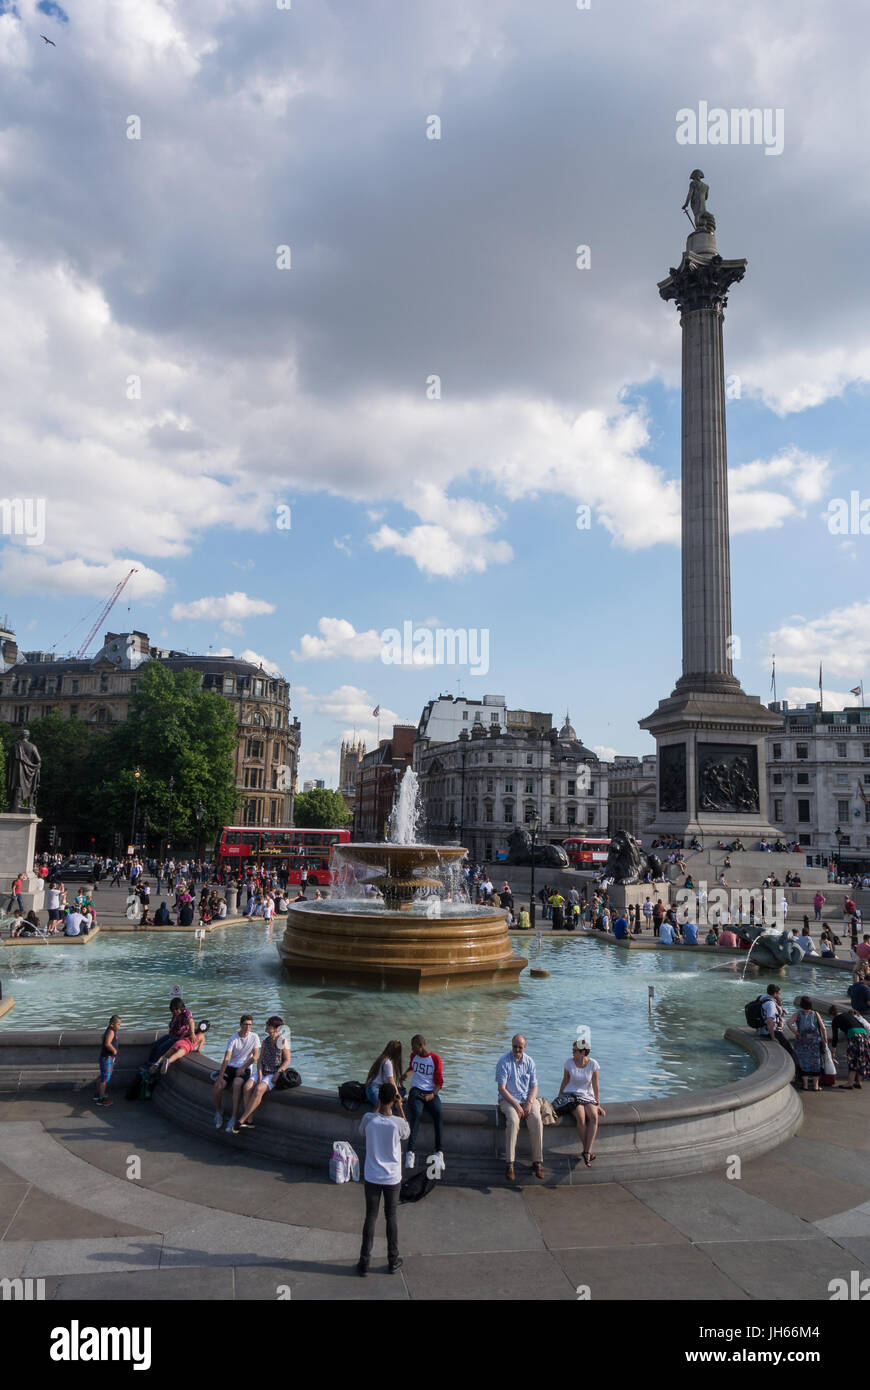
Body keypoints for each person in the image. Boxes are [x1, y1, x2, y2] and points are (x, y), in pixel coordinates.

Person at [357, 1082, 410, 1276]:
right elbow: (407, 1132)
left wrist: (376, 1107)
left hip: (372, 1175)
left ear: (379, 1099)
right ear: (393, 1100)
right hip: (392, 1177)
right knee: (391, 1217)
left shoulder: (369, 1119)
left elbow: (362, 1131)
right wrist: (400, 1108)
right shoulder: (397, 1123)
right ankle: (393, 1259)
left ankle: (364, 1262)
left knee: (370, 1217)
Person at [496, 1034, 544, 1182]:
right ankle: (510, 1164)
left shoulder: (530, 1062)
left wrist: (529, 1102)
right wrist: (516, 1105)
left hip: (527, 1099)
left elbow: (534, 1086)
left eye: (520, 1047)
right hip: (508, 1099)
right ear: (511, 1045)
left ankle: (537, 1162)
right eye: (514, 1046)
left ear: (525, 1047)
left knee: (536, 1119)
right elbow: (501, 1089)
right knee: (513, 1121)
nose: (517, 1049)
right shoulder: (503, 1062)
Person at [232, 1016, 291, 1132]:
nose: (266, 1025)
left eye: (268, 1024)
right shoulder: (266, 1041)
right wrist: (259, 1073)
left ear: (274, 1028)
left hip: (273, 1073)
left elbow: (287, 1060)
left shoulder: (282, 1041)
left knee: (259, 1089)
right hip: (263, 1071)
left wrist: (278, 1073)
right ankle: (250, 1120)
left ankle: (241, 1120)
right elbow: (259, 1060)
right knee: (247, 1086)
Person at [557, 1040, 605, 1167]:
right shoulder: (569, 1063)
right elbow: (565, 1080)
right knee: (581, 1118)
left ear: (583, 1052)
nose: (572, 1053)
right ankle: (587, 1152)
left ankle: (586, 1151)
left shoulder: (593, 1064)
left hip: (587, 1096)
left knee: (594, 1117)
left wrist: (598, 1103)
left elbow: (595, 1084)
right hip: (572, 1095)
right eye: (572, 1050)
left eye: (575, 1051)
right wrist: (559, 1097)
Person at [401, 1035, 444, 1170]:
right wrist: (406, 1075)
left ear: (421, 1045)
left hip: (430, 1091)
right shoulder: (414, 1056)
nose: (412, 1049)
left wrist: (432, 1095)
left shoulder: (435, 1059)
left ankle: (439, 1152)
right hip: (416, 1091)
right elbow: (412, 1067)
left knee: (438, 1113)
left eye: (414, 1046)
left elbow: (439, 1082)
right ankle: (410, 1153)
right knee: (417, 1113)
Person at [213, 1014, 261, 1132]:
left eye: (250, 1025)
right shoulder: (233, 1038)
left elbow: (255, 1056)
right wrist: (220, 1076)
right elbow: (226, 1058)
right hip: (231, 1067)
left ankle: (233, 1117)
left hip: (245, 1068)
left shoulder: (254, 1037)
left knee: (237, 1083)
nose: (247, 1027)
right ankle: (218, 1112)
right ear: (240, 1025)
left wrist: (243, 1067)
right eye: (245, 1024)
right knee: (217, 1086)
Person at [786, 996, 827, 1092]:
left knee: (803, 1061)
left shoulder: (798, 1013)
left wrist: (795, 1032)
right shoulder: (816, 1014)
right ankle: (816, 1086)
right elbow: (823, 1028)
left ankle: (805, 1086)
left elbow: (788, 1023)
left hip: (802, 1040)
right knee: (815, 1061)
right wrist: (825, 1039)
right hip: (814, 1041)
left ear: (801, 1004)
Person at [829, 1006, 870, 1089]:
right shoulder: (848, 1015)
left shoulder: (835, 1020)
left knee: (853, 1059)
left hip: (854, 1036)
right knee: (861, 1059)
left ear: (831, 1015)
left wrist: (833, 1051)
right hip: (864, 1035)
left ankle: (850, 1083)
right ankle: (858, 1082)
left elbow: (835, 1037)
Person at [365, 1041, 404, 1109]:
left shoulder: (381, 1058)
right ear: (397, 1053)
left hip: (374, 1087)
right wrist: (398, 1095)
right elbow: (391, 1082)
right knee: (384, 1109)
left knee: (403, 1090)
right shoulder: (387, 1062)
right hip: (374, 1089)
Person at [94, 1016, 120, 1106]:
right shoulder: (111, 1031)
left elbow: (102, 1037)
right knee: (105, 1079)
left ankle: (99, 1093)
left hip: (104, 1057)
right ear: (111, 1024)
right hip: (107, 1058)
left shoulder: (109, 1030)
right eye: (118, 1024)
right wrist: (114, 1051)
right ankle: (102, 1099)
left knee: (102, 1077)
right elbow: (107, 1044)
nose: (119, 1026)